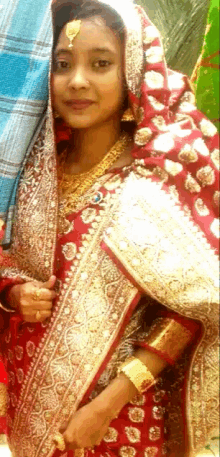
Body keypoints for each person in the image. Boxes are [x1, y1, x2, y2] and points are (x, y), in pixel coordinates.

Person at [0, 0, 219, 456]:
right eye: (63, 64)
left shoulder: (154, 179)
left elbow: (193, 310)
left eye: (101, 64)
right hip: (29, 411)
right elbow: (8, 259)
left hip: (120, 425)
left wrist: (105, 406)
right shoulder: (32, 170)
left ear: (131, 73)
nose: (77, 80)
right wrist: (12, 294)